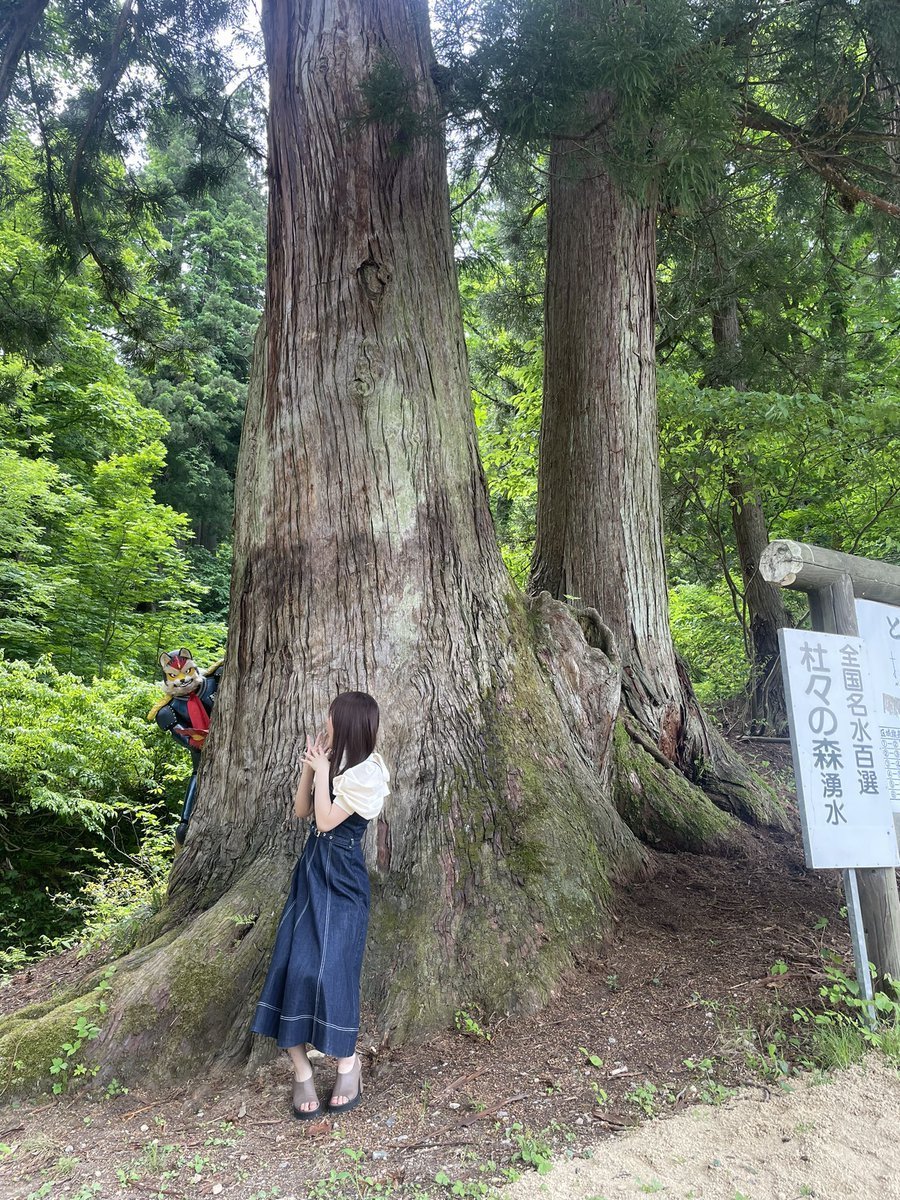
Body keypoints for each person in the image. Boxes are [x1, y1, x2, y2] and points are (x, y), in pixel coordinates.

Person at [250, 691, 390, 1119]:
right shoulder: (335, 763)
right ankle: (301, 1071)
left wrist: (326, 769)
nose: (324, 724)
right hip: (311, 872)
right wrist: (310, 770)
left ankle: (348, 1063)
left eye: (330, 718)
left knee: (333, 972)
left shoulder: (368, 772)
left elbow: (329, 822)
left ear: (347, 723)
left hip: (344, 878)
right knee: (294, 967)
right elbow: (302, 812)